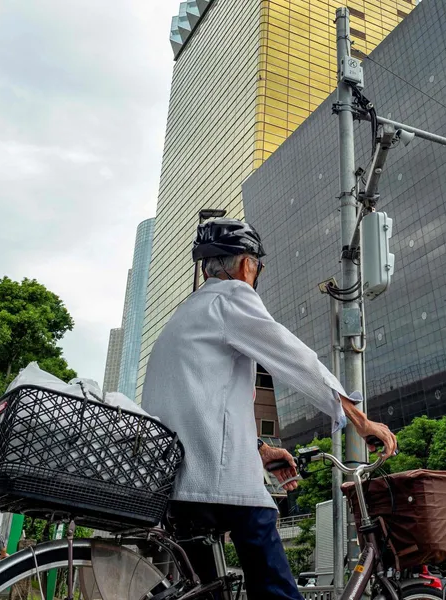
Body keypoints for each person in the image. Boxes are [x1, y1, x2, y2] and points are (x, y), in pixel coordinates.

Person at [143, 217, 398, 600]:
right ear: (247, 264)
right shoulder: (232, 298)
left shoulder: (185, 315)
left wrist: (260, 450)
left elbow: (201, 404)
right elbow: (294, 358)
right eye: (257, 265)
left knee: (205, 593)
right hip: (216, 483)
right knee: (277, 588)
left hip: (176, 485)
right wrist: (358, 419)